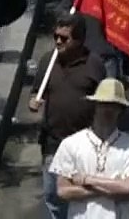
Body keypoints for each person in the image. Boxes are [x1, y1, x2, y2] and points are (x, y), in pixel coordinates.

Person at [30, 15, 107, 219]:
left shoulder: (94, 65)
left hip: (84, 144)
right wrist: (33, 102)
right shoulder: (48, 61)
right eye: (55, 36)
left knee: (81, 192)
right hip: (53, 141)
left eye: (64, 38)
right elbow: (36, 91)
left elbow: (105, 101)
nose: (57, 42)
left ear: (80, 40)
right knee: (53, 193)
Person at [49, 79, 129, 217]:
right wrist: (113, 189)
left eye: (114, 105)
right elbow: (63, 190)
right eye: (104, 104)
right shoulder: (71, 144)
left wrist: (87, 180)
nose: (108, 109)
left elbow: (128, 189)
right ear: (95, 106)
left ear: (121, 110)